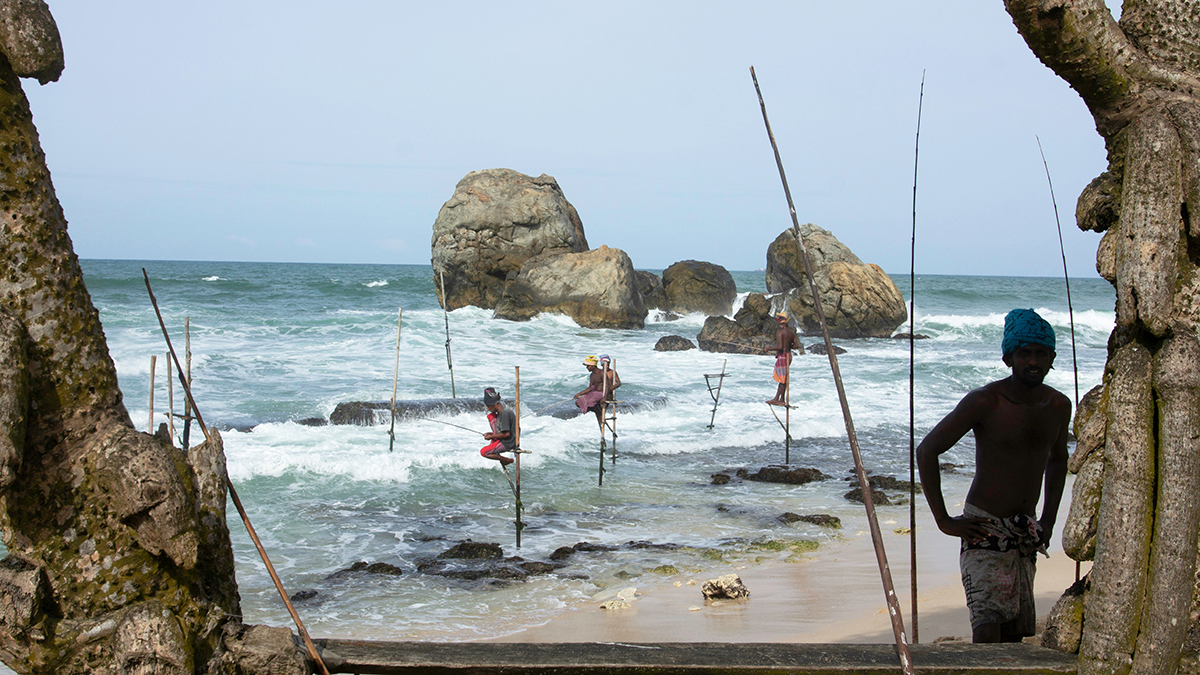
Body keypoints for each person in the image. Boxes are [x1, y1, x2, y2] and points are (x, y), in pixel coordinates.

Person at [916, 308, 1070, 643]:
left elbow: (1058, 461)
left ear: (1052, 357)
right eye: (1024, 353)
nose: (1033, 361)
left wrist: (1049, 520)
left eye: (1041, 353)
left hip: (1024, 532)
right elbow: (927, 451)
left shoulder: (1058, 405)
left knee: (1016, 633)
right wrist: (944, 520)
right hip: (982, 530)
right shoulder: (985, 401)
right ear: (1008, 358)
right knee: (986, 629)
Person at [574, 354, 620, 429]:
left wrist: (605, 398)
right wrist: (579, 394)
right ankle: (597, 411)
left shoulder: (602, 373)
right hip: (594, 393)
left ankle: (598, 412)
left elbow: (607, 386)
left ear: (593, 366)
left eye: (587, 366)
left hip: (602, 393)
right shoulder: (592, 375)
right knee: (578, 402)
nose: (587, 368)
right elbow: (590, 388)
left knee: (591, 402)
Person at [766, 312, 799, 406]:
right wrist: (788, 347)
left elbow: (780, 347)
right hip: (789, 355)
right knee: (783, 378)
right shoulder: (791, 333)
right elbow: (796, 345)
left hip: (783, 356)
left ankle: (781, 400)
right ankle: (778, 398)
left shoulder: (780, 332)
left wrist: (768, 349)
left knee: (782, 379)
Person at [479, 387, 516, 467]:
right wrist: (491, 434)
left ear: (495, 404)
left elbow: (506, 434)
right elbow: (502, 430)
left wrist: (491, 437)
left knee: (484, 452)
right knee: (491, 416)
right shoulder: (499, 414)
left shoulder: (505, 413)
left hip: (507, 442)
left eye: (489, 406)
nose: (489, 409)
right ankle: (496, 441)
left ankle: (507, 460)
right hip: (503, 438)